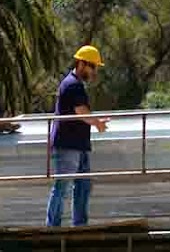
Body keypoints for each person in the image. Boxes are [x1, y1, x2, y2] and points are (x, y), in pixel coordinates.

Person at [46, 45, 108, 228]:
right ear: (81, 64)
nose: (94, 71)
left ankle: (79, 224)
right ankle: (53, 226)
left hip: (78, 145)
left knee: (82, 186)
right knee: (62, 186)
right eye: (92, 67)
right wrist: (97, 123)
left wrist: (95, 121)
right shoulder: (72, 85)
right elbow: (81, 111)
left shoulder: (76, 84)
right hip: (68, 145)